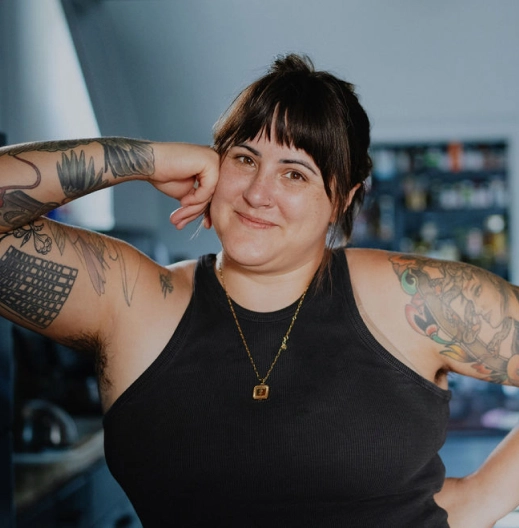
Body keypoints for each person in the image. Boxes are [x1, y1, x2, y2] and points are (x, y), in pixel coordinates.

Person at [0, 53, 518, 527]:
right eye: (245, 159)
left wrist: (481, 498)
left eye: (295, 174)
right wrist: (147, 158)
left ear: (343, 198)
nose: (257, 193)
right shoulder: (132, 302)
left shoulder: (412, 297)